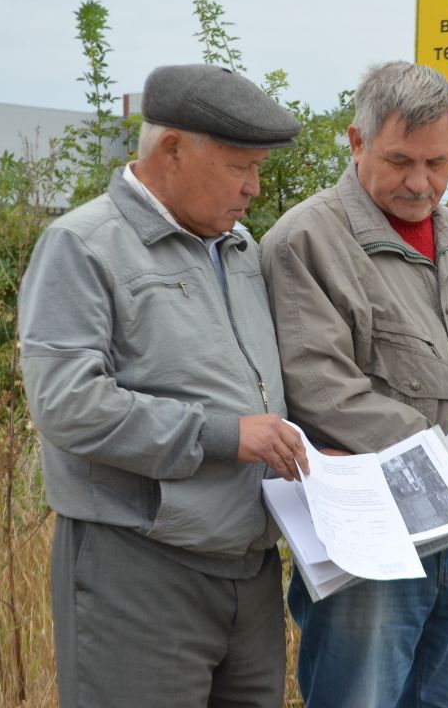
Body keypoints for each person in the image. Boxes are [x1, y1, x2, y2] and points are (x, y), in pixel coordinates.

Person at [260, 61, 448, 708]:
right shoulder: (305, 241)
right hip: (372, 537)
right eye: (401, 161)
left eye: (438, 163)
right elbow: (325, 393)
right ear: (356, 141)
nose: (422, 183)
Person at [18, 64, 311, 708]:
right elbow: (68, 405)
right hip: (140, 568)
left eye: (260, 169)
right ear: (173, 149)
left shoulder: (236, 247)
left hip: (249, 570)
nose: (255, 189)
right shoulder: (84, 244)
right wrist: (223, 436)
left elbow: (258, 390)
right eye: (241, 168)